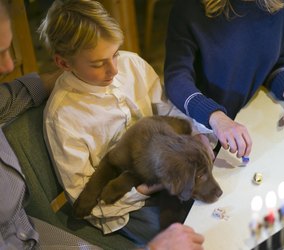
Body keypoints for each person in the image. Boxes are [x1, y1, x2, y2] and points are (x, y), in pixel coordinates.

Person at [0, 0, 204, 249]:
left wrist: (193, 133)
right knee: (198, 232)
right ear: (64, 63)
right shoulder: (63, 117)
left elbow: (167, 110)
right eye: (98, 64)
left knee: (216, 202)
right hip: (128, 204)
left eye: (115, 53)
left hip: (166, 170)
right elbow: (86, 197)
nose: (114, 69)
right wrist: (146, 187)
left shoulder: (132, 65)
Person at [164, 0, 284, 159]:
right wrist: (216, 118)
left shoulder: (280, 3)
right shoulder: (189, 8)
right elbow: (176, 78)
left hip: (246, 124)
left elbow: (274, 63)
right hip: (200, 129)